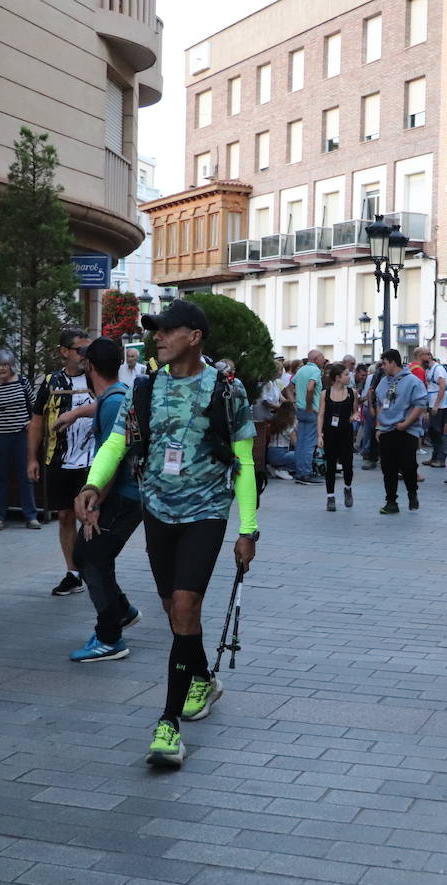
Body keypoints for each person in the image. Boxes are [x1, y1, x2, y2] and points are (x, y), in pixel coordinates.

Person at [76, 300, 259, 768]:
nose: (156, 337)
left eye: (166, 330)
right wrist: (94, 483)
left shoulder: (225, 389)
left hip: (206, 512)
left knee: (184, 606)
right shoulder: (145, 387)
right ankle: (203, 679)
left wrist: (248, 528)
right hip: (157, 511)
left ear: (194, 336)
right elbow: (118, 440)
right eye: (155, 330)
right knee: (174, 611)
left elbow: (245, 460)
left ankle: (168, 725)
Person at [69, 337, 143, 663]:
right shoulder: (116, 396)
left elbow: (114, 455)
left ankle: (109, 636)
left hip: (124, 496)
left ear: (91, 366)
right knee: (91, 555)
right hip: (125, 495)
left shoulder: (114, 402)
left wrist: (95, 504)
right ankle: (121, 610)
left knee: (90, 557)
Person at [30, 329, 96, 597]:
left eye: (87, 350)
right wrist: (31, 458)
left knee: (90, 516)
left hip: (93, 460)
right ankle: (73, 573)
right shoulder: (50, 382)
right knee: (65, 515)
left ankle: (94, 568)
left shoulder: (97, 377)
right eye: (80, 350)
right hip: (59, 460)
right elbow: (35, 421)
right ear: (65, 352)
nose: (84, 356)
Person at [0, 349, 39, 531]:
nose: (1, 368)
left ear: (11, 366)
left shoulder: (22, 383)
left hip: (21, 435)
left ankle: (31, 516)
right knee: (0, 477)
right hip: (0, 436)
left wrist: (31, 422)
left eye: (5, 364)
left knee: (25, 476)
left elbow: (35, 406)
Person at [373, 349, 428, 513]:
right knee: (388, 469)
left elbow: (421, 404)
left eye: (384, 363)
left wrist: (406, 423)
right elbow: (379, 405)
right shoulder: (383, 382)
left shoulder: (412, 381)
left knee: (408, 466)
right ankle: (391, 501)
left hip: (406, 431)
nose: (382, 367)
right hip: (386, 430)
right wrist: (378, 427)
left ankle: (412, 493)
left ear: (393, 362)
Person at [317, 362, 356, 511]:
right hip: (330, 433)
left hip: (346, 432)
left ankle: (347, 487)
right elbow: (321, 414)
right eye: (346, 374)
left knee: (348, 465)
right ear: (338, 377)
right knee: (331, 465)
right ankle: (330, 497)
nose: (349, 376)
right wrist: (319, 435)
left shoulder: (352, 393)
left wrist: (355, 415)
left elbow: (355, 410)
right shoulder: (325, 394)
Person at [416, 347, 447, 468]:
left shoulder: (438, 369)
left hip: (442, 406)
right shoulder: (429, 370)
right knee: (433, 431)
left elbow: (442, 387)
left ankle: (441, 458)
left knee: (439, 431)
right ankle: (435, 456)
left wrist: (436, 405)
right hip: (434, 404)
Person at [292, 349, 325, 483]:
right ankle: (306, 473)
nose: (323, 359)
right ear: (316, 359)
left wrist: (294, 401)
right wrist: (309, 405)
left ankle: (300, 472)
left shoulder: (301, 370)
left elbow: (290, 386)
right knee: (310, 443)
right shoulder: (315, 371)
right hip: (311, 411)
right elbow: (310, 388)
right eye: (322, 357)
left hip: (300, 410)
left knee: (301, 443)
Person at [266, 401, 297, 479]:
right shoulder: (289, 424)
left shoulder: (275, 421)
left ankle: (274, 467)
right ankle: (283, 469)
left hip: (270, 453)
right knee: (301, 455)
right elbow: (295, 443)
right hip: (280, 453)